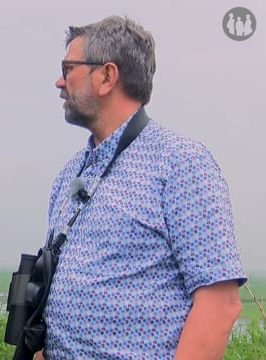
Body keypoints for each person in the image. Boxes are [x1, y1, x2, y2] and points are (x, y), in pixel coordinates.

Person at [39, 15, 246, 359]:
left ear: (106, 76)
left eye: (68, 68)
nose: (59, 82)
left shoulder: (180, 163)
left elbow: (220, 303)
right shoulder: (69, 173)